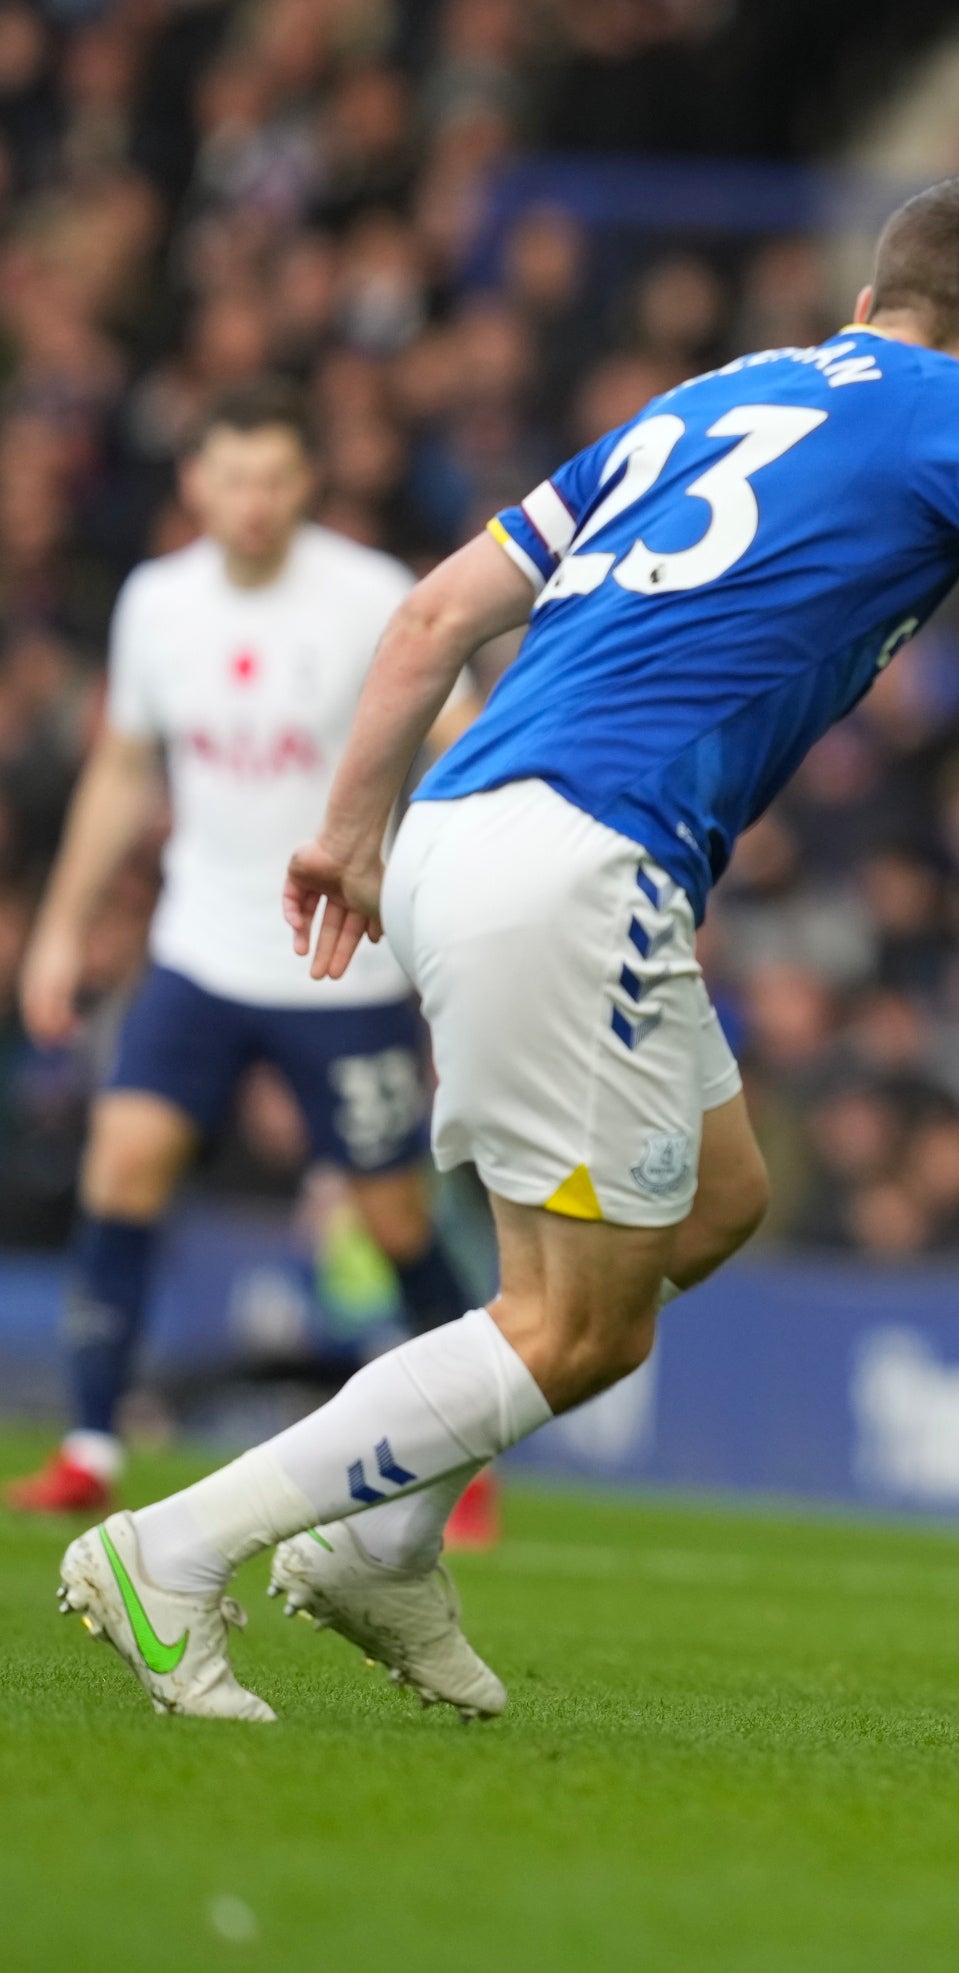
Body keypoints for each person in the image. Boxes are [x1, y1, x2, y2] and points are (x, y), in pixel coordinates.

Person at [55, 176, 959, 1723]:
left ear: (870, 291)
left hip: (461, 825)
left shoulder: (706, 399)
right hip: (580, 858)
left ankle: (383, 1542)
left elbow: (433, 618)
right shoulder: (949, 400)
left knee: (714, 1200)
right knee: (578, 1322)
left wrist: (352, 833)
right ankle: (178, 1547)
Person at [5, 382, 478, 1521]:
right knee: (121, 1170)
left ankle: (470, 1447)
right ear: (194, 484)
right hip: (198, 951)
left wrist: (447, 910)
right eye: (230, 478)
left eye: (272, 478)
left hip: (340, 962)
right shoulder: (158, 602)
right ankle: (91, 1449)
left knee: (395, 1219)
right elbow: (126, 770)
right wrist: (62, 931)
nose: (251, 502)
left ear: (304, 483)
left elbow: (461, 742)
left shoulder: (369, 595)